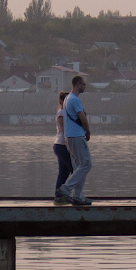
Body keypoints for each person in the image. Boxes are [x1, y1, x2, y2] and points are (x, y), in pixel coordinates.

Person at [59, 75, 93, 206]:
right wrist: (88, 132)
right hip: (77, 136)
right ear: (78, 84)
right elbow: (83, 118)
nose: (85, 86)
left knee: (79, 166)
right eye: (84, 84)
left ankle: (78, 196)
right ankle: (66, 189)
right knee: (86, 164)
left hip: (69, 137)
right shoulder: (75, 100)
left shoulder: (67, 98)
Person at [51, 91, 74, 205]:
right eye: (65, 100)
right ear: (60, 101)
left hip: (63, 145)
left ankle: (59, 196)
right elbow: (64, 130)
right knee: (74, 169)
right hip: (61, 145)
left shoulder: (68, 112)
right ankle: (67, 194)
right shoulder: (61, 112)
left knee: (64, 173)